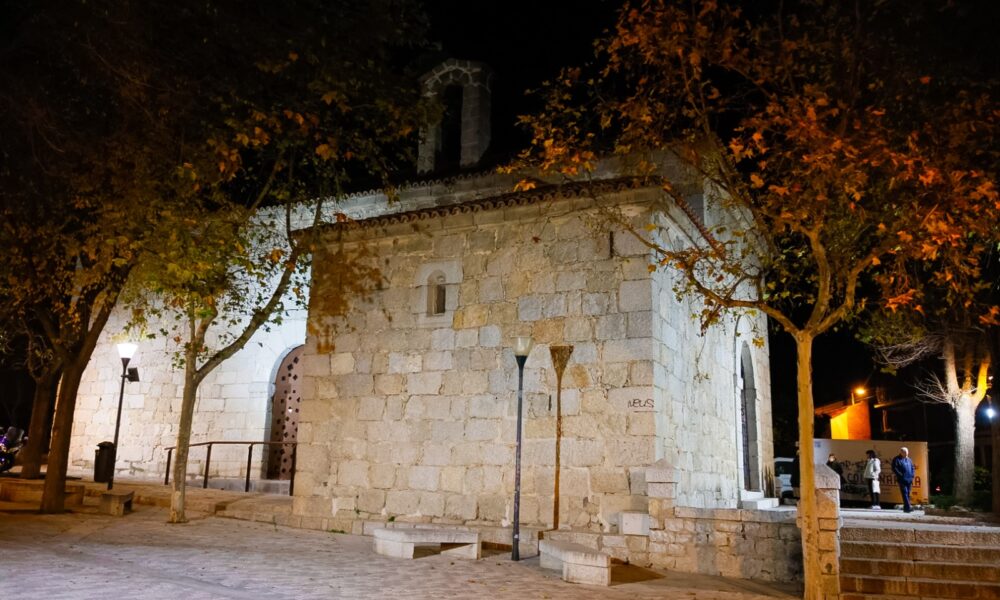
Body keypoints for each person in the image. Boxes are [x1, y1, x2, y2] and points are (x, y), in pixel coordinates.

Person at [892, 446, 916, 513]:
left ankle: (906, 508)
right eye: (905, 452)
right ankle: (908, 507)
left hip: (909, 479)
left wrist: (912, 475)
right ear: (901, 452)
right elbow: (894, 468)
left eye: (907, 452)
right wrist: (901, 475)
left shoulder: (909, 459)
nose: (907, 454)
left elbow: (912, 468)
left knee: (908, 493)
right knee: (904, 493)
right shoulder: (896, 459)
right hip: (902, 479)